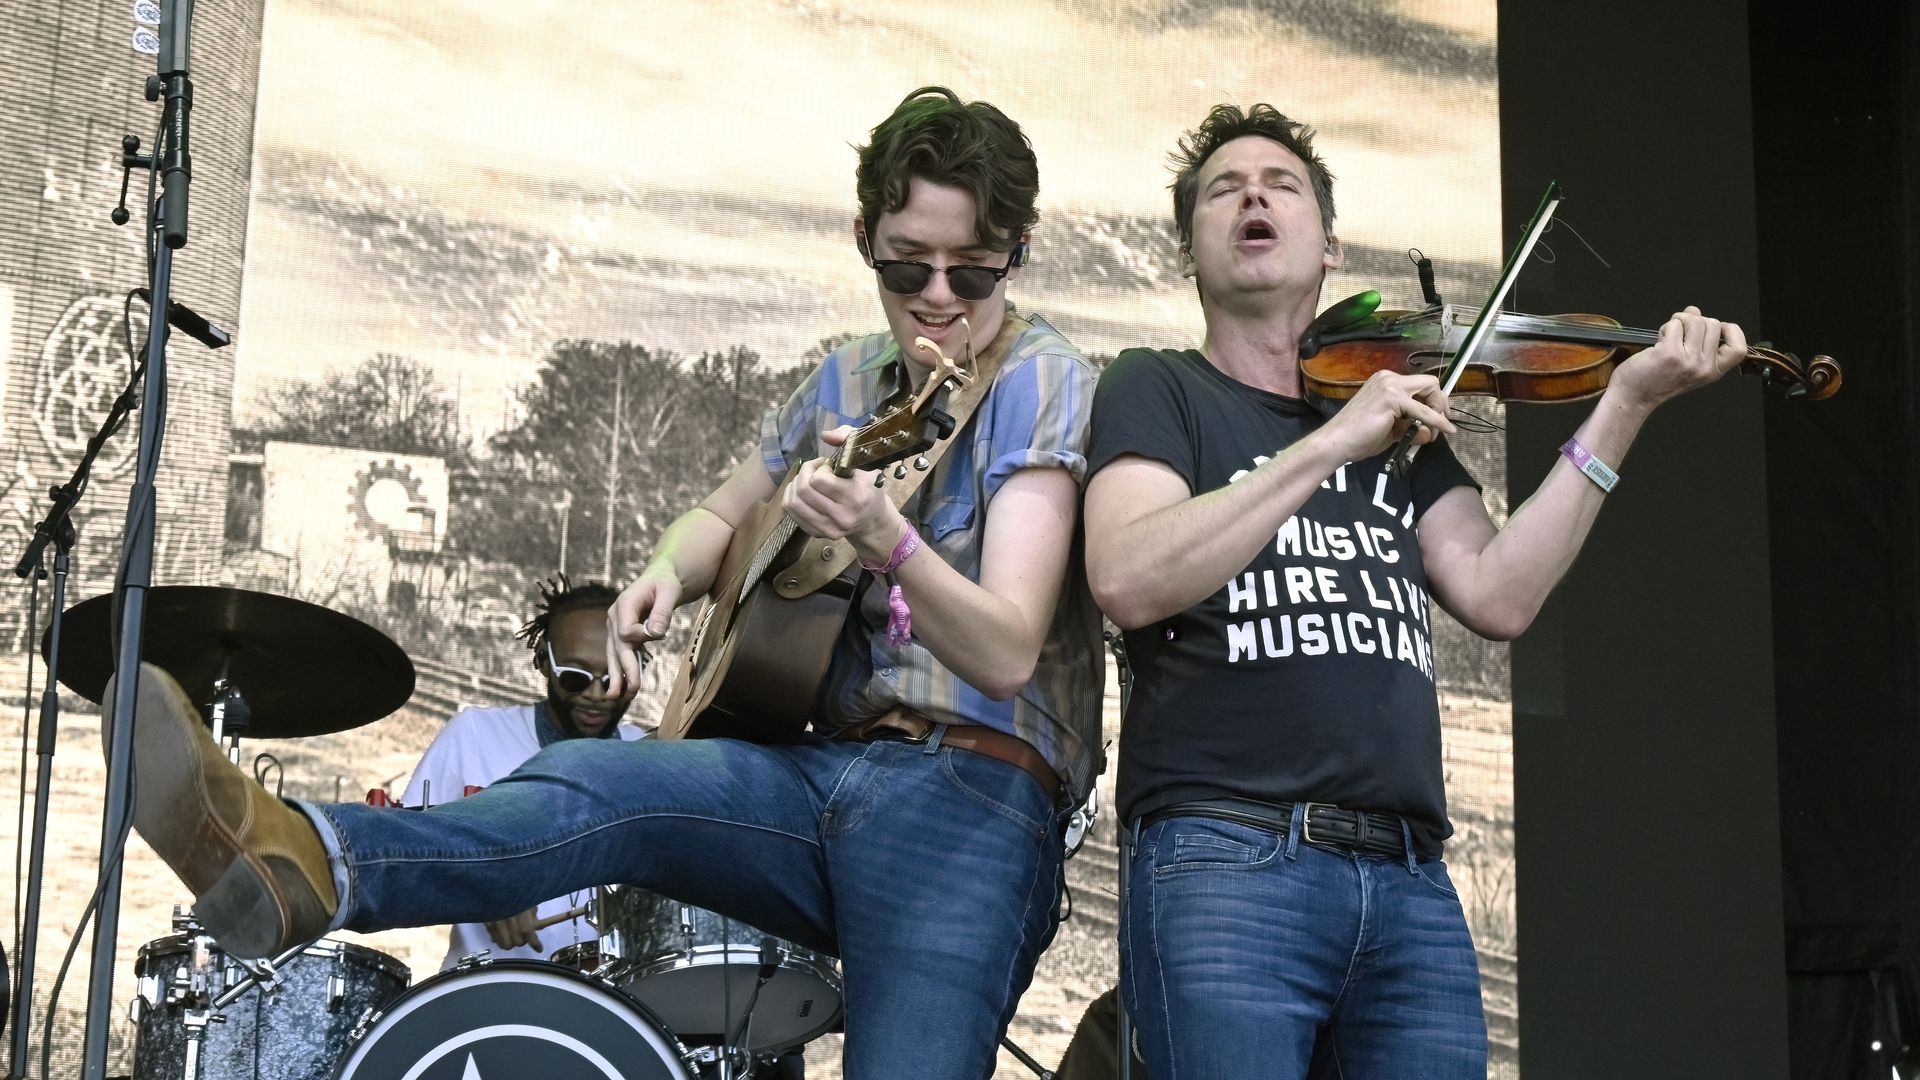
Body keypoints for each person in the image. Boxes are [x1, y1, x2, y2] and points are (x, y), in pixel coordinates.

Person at [117, 85, 1103, 1079]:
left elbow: (1007, 647)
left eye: (971, 272)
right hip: (823, 775)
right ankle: (307, 863)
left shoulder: (1039, 379)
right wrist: (664, 578)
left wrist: (891, 544)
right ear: (863, 237)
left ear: (1016, 250)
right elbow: (722, 517)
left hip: (973, 797)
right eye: (905, 265)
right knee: (593, 782)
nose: (936, 296)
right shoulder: (848, 377)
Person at [1082, 104, 1751, 1079]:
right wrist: (1328, 444)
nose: (1254, 195)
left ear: (1330, 247)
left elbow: (1499, 593)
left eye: (1283, 186)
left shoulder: (1397, 416)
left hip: (1408, 884)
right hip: (1228, 857)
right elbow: (1129, 577)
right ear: (1191, 249)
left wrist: (1625, 403)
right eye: (1225, 188)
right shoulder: (1160, 386)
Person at [399, 576, 643, 968]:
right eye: (576, 677)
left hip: (613, 1005)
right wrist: (486, 889)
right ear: (543, 660)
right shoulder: (474, 735)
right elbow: (407, 858)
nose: (597, 695)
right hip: (485, 992)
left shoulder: (651, 755)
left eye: (614, 678)